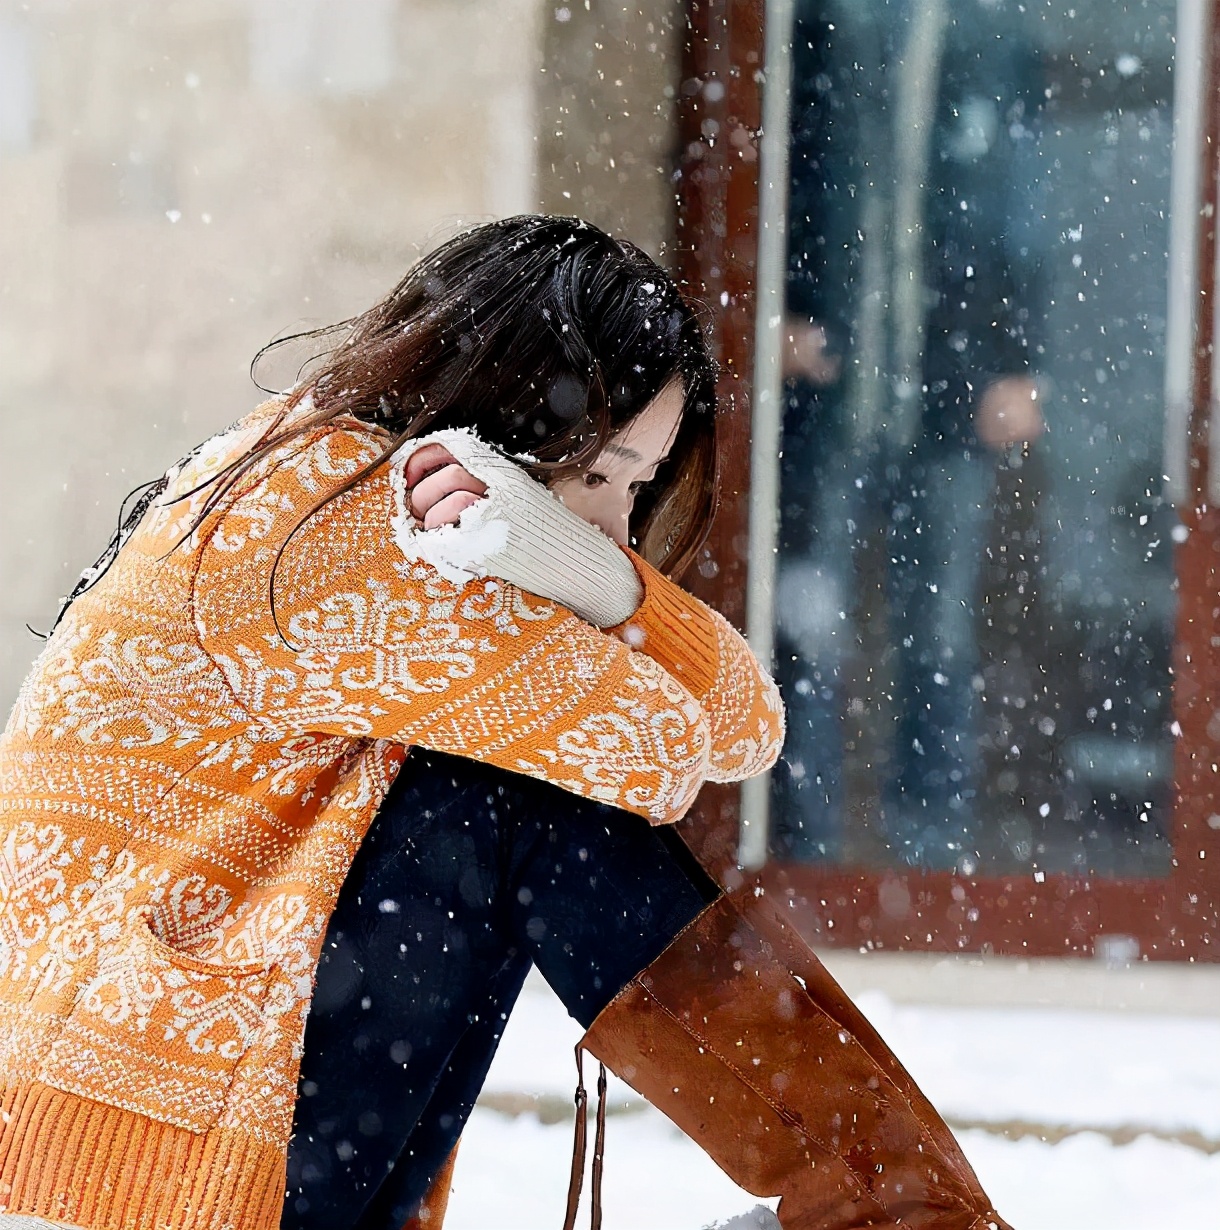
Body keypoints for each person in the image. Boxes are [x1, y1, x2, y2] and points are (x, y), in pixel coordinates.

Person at [0, 216, 1009, 1230]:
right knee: (511, 799)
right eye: (596, 474)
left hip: (176, 1092)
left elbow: (744, 728)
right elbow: (660, 755)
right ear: (495, 418)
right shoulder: (339, 519)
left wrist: (585, 568)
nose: (619, 520)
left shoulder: (330, 472)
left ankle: (890, 1204)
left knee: (494, 791)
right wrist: (565, 568)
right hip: (135, 1113)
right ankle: (893, 1205)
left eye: (639, 483)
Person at [771, 0, 1049, 869]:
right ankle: (799, 845)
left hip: (949, 390)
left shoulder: (992, 32)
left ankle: (929, 855)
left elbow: (1023, 203)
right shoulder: (821, 20)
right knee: (808, 627)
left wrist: (1020, 357)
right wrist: (775, 305)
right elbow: (783, 165)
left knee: (937, 629)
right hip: (832, 386)